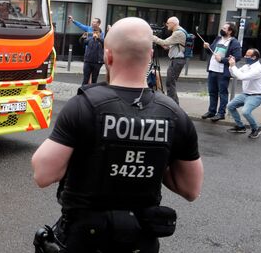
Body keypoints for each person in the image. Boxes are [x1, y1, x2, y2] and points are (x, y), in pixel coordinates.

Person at [32, 17, 203, 253]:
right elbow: (191, 189)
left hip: (84, 240)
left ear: (107, 56)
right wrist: (151, 155)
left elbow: (43, 174)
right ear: (151, 56)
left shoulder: (82, 106)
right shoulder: (175, 114)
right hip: (140, 243)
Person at [201, 22, 242, 122]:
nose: (222, 29)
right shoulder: (218, 39)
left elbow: (237, 57)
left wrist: (222, 59)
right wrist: (207, 47)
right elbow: (212, 52)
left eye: (224, 28)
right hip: (212, 69)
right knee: (212, 92)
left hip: (222, 72)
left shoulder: (234, 42)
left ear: (230, 31)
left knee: (222, 93)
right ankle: (211, 111)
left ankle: (221, 113)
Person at [225, 48, 261, 139]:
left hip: (257, 95)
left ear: (254, 57)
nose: (245, 56)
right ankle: (240, 127)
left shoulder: (259, 69)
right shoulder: (247, 66)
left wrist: (233, 66)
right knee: (230, 106)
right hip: (246, 94)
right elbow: (234, 74)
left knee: (246, 112)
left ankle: (256, 129)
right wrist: (231, 65)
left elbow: (242, 77)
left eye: (247, 55)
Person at [152, 17, 187, 104]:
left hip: (177, 60)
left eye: (168, 23)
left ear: (173, 24)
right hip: (177, 60)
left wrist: (152, 37)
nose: (166, 25)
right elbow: (167, 46)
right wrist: (162, 43)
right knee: (170, 82)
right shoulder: (178, 32)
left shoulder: (178, 33)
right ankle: (173, 104)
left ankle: (173, 105)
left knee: (170, 83)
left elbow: (164, 42)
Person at [68, 15, 104, 85]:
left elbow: (103, 42)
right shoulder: (88, 29)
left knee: (94, 78)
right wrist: (73, 21)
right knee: (86, 78)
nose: (93, 23)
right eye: (92, 22)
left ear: (99, 24)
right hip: (88, 55)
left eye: (95, 22)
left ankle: (91, 88)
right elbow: (81, 26)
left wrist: (98, 37)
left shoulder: (101, 33)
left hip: (97, 58)